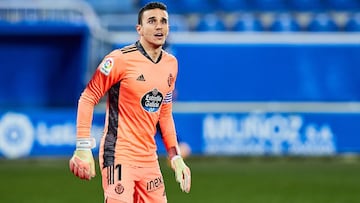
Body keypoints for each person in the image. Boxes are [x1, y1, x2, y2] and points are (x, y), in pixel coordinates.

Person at [69, 2, 191, 203]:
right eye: (152, 21)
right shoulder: (119, 60)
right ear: (139, 29)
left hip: (149, 158)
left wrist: (175, 157)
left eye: (163, 21)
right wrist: (82, 146)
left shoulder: (171, 64)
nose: (159, 26)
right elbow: (88, 97)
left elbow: (165, 113)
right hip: (118, 155)